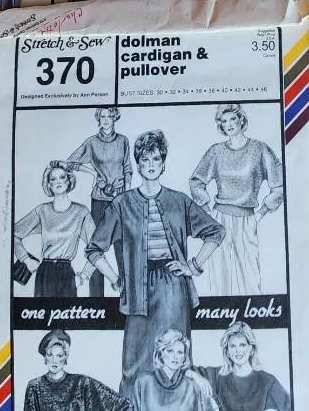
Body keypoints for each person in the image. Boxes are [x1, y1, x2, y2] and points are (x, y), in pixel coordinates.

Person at [85, 129, 225, 395]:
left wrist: (192, 266)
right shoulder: (121, 203)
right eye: (145, 160)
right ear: (138, 165)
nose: (151, 165)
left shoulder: (179, 201)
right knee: (134, 360)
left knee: (175, 354)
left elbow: (216, 232)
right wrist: (116, 279)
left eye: (156, 159)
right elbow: (94, 249)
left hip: (173, 287)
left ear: (163, 164)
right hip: (137, 288)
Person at [189, 103, 283, 295]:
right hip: (219, 220)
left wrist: (259, 215)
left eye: (233, 119)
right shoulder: (216, 151)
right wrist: (208, 211)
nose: (229, 124)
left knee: (251, 281)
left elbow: (280, 186)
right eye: (224, 121)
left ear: (241, 119)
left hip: (248, 220)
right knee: (219, 282)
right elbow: (196, 182)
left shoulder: (260, 149)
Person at [66, 107, 132, 298]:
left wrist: (125, 193)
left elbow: (128, 169)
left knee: (122, 247)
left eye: (109, 116)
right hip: (99, 201)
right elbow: (70, 163)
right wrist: (95, 174)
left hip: (120, 201)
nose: (105, 120)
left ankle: (127, 299)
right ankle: (96, 299)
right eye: (102, 116)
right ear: (98, 119)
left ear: (114, 118)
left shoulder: (123, 141)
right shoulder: (92, 142)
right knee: (96, 248)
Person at [14, 161, 96, 298]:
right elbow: (14, 234)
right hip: (45, 273)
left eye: (62, 177)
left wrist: (84, 276)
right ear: (48, 185)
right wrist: (26, 259)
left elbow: (97, 247)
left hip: (67, 274)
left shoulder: (81, 212)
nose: (58, 181)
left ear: (69, 180)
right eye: (53, 179)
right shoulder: (42, 210)